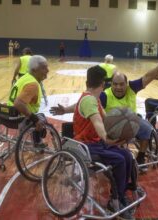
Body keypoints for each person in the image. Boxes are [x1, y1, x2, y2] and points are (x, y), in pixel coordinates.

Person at [51, 50, 158, 165]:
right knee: (118, 145)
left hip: (132, 119)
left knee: (147, 128)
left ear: (126, 84)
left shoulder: (132, 88)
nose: (118, 87)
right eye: (115, 84)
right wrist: (65, 110)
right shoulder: (105, 94)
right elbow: (86, 104)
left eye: (121, 84)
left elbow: (148, 76)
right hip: (113, 124)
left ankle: (141, 155)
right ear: (110, 84)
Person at [52, 65, 134, 219]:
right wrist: (109, 139)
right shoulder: (89, 100)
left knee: (127, 155)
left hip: (95, 143)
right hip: (86, 146)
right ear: (103, 84)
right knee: (119, 159)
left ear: (87, 82)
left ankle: (122, 193)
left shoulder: (91, 98)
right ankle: (115, 199)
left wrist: (123, 129)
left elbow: (105, 119)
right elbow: (98, 123)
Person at [7, 55, 49, 133]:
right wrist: (35, 119)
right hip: (19, 117)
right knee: (42, 119)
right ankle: (38, 143)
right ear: (34, 70)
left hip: (9, 112)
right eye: (44, 68)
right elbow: (18, 103)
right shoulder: (32, 84)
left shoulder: (25, 77)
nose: (48, 70)